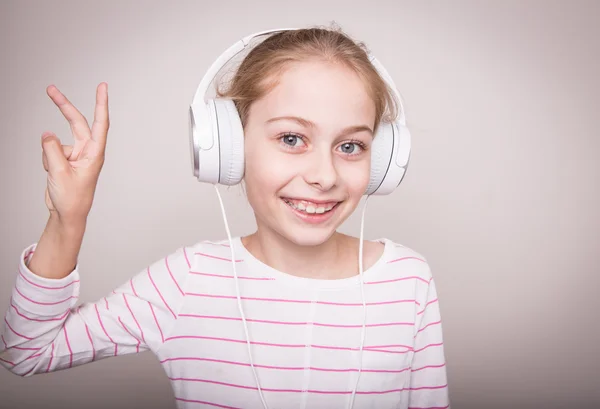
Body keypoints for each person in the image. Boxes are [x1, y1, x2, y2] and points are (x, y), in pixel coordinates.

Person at [0, 26, 450, 409]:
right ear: (229, 147)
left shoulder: (406, 280)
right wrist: (69, 218)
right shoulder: (188, 279)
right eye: (292, 138)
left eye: (350, 146)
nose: (324, 175)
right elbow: (27, 351)